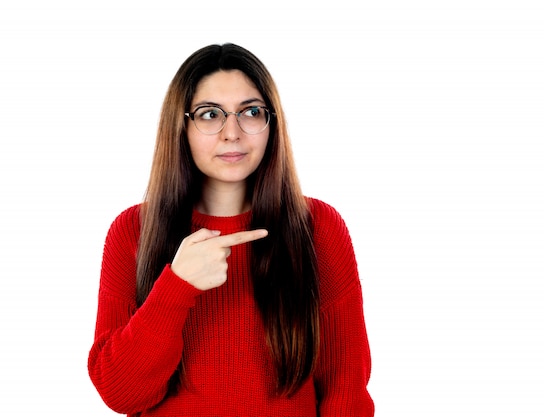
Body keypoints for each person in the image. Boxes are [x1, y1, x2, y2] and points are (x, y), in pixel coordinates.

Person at [88, 43, 374, 416]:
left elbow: (346, 391)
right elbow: (119, 393)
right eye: (210, 115)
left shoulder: (318, 228)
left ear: (272, 122)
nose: (232, 133)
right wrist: (176, 286)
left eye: (251, 112)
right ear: (182, 125)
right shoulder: (133, 231)